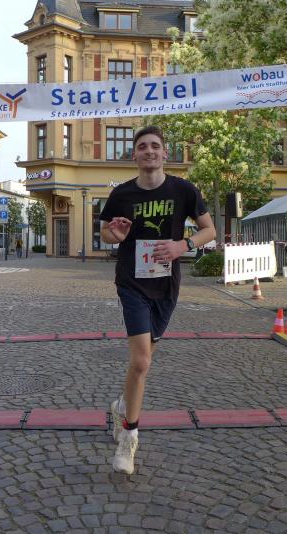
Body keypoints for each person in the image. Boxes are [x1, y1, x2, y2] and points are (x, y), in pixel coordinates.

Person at [99, 126, 215, 475]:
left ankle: (122, 405)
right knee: (141, 361)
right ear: (134, 155)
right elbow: (105, 233)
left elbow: (209, 230)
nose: (148, 151)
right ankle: (129, 437)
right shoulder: (121, 193)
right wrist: (115, 234)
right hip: (131, 283)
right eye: (142, 147)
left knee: (143, 363)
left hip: (166, 286)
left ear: (165, 153)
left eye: (155, 146)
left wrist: (183, 245)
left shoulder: (184, 190)